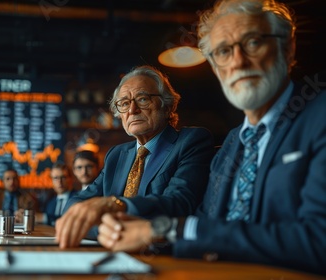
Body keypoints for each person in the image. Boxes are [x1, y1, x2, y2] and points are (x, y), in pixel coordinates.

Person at [97, 0, 326, 275]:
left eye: (253, 43)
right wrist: (145, 243)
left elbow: (318, 240)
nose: (238, 61)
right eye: (223, 51)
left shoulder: (319, 117)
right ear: (216, 68)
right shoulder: (233, 143)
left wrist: (166, 229)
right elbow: (205, 227)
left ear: (287, 48)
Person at [55, 65, 214, 248]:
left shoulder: (191, 141)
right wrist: (112, 232)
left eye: (143, 99)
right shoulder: (116, 155)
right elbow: (75, 205)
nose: (132, 109)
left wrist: (116, 205)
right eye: (123, 103)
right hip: (113, 253)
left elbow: (179, 203)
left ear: (167, 106)